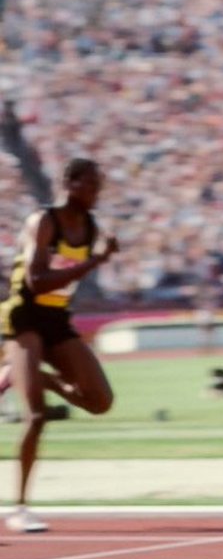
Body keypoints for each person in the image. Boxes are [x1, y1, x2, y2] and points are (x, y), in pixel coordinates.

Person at [0, 158, 118, 532]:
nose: (97, 193)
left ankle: (28, 375)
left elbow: (64, 283)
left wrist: (95, 260)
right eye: (91, 185)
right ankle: (19, 507)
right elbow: (36, 281)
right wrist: (94, 262)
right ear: (70, 183)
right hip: (23, 318)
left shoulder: (90, 225)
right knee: (36, 415)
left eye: (100, 186)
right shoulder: (43, 221)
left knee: (99, 401)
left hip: (56, 321)